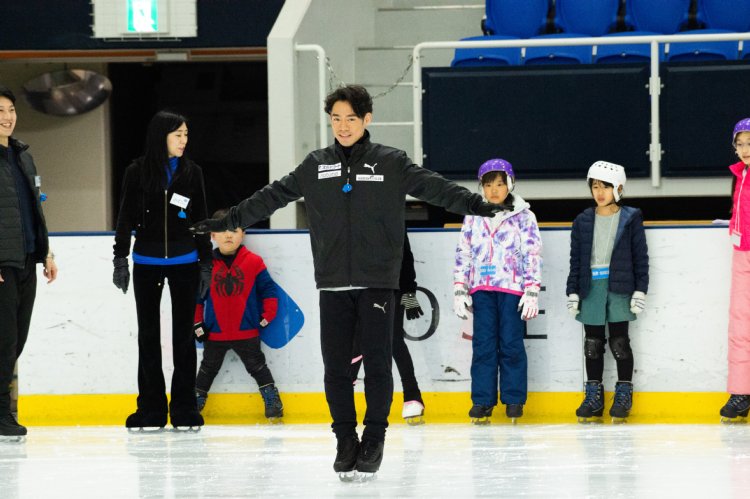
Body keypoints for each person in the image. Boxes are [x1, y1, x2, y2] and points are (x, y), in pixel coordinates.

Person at [190, 84, 506, 480]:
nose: (342, 126)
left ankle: (374, 437)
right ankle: (344, 439)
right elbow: (271, 197)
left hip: (378, 282)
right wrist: (228, 220)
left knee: (376, 365)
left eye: (350, 119)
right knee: (336, 369)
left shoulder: (391, 162)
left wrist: (475, 204)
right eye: (336, 119)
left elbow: (435, 187)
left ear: (366, 120)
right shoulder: (314, 166)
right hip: (333, 283)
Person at [113, 110, 211, 430]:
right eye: (177, 135)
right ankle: (151, 408)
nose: (184, 140)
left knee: (183, 337)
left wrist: (206, 263)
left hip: (185, 263)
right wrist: (120, 259)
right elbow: (125, 218)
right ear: (162, 136)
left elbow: (201, 219)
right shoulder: (137, 172)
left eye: (186, 134)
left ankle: (184, 407)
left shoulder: (192, 172)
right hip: (147, 264)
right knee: (148, 337)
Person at [453, 159, 542, 424]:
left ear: (510, 184)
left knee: (512, 344)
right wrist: (460, 287)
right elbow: (464, 252)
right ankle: (482, 401)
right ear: (481, 186)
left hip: (512, 289)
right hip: (482, 289)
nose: (494, 190)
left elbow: (532, 253)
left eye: (500, 184)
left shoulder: (524, 216)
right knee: (483, 346)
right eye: (488, 184)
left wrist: (531, 290)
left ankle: (514, 400)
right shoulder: (473, 214)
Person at [566, 161, 649, 423]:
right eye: (595, 186)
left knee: (619, 342)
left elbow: (640, 258)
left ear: (619, 188)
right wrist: (573, 291)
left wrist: (640, 290)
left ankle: (623, 393)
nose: (599, 192)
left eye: (605, 187)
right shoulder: (582, 220)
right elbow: (576, 260)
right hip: (592, 289)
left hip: (620, 288)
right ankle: (594, 396)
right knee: (592, 344)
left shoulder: (630, 217)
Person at [0, 85, 58, 438]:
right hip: (2, 262)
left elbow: (35, 207)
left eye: (10, 110)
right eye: (0, 111)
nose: (7, 117)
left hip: (27, 258)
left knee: (17, 339)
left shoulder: (23, 156)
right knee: (4, 341)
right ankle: (2, 413)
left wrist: (46, 251)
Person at [193, 209, 283, 422]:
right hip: (215, 335)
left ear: (243, 233)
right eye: (222, 230)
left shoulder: (254, 262)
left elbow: (269, 291)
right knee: (206, 371)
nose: (228, 235)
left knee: (259, 368)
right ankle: (194, 404)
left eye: (234, 229)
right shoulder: (205, 266)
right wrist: (198, 324)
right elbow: (196, 299)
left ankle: (272, 402)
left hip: (248, 333)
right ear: (212, 235)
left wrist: (266, 316)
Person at [350, 230, 426, 425]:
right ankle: (345, 385)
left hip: (393, 287)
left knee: (393, 340)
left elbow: (405, 255)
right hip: (359, 287)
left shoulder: (393, 215)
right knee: (358, 337)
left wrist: (409, 292)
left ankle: (412, 396)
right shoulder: (353, 214)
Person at [721, 118, 750, 422]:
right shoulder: (739, 176)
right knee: (740, 325)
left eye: (749, 143)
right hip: (742, 253)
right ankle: (741, 392)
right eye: (739, 144)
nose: (743, 149)